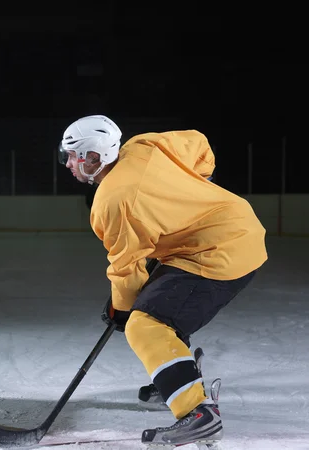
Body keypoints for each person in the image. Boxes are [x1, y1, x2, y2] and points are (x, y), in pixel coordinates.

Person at [57, 115, 267, 447]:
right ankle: (178, 375)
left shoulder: (112, 200)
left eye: (74, 156)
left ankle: (197, 414)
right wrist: (191, 193)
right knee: (160, 304)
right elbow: (198, 142)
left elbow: (126, 268)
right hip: (234, 226)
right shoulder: (144, 145)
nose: (68, 163)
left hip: (216, 251)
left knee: (145, 324)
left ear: (95, 157)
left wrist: (122, 309)